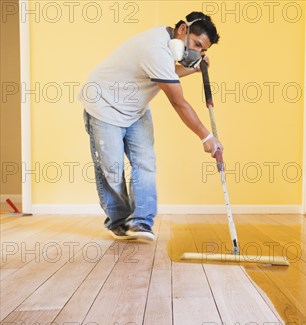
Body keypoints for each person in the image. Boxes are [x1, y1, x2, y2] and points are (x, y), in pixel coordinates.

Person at [78, 12, 222, 241]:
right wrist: (207, 137)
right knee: (111, 169)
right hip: (104, 104)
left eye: (202, 50)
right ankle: (119, 222)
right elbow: (178, 102)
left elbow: (166, 73)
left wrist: (195, 68)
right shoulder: (155, 48)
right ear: (183, 30)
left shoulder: (165, 49)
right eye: (196, 45)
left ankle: (141, 223)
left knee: (145, 162)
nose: (197, 52)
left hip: (135, 108)